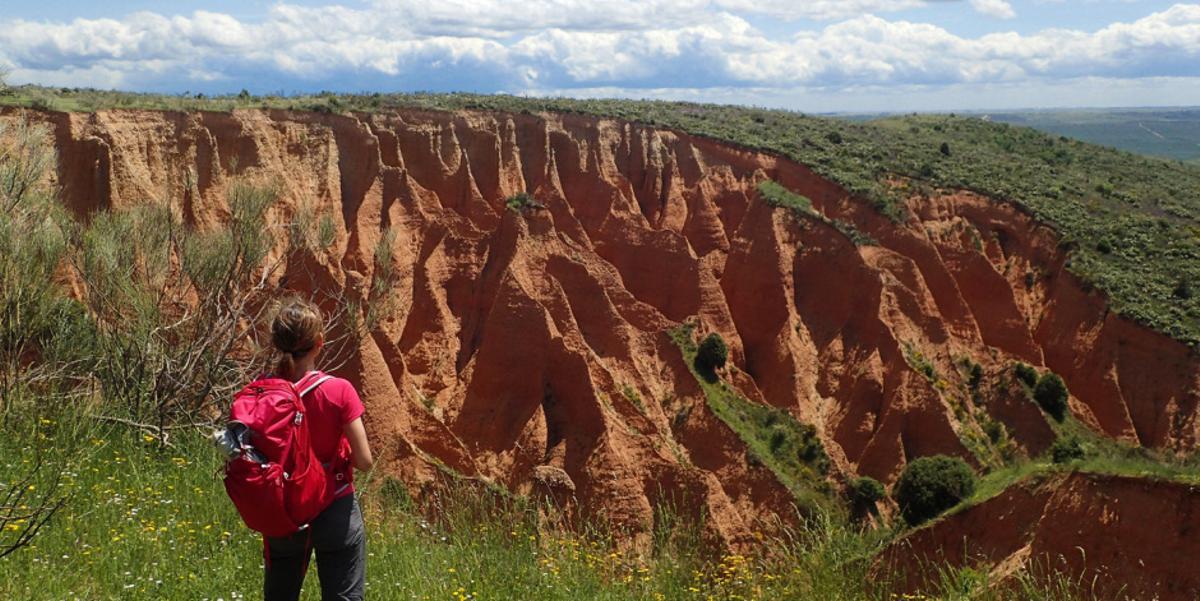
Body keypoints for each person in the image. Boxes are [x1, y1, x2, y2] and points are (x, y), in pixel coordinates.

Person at [264, 297, 374, 601]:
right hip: (334, 506)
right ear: (319, 343)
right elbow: (365, 461)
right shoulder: (339, 390)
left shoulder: (264, 391)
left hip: (284, 513)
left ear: (276, 343)